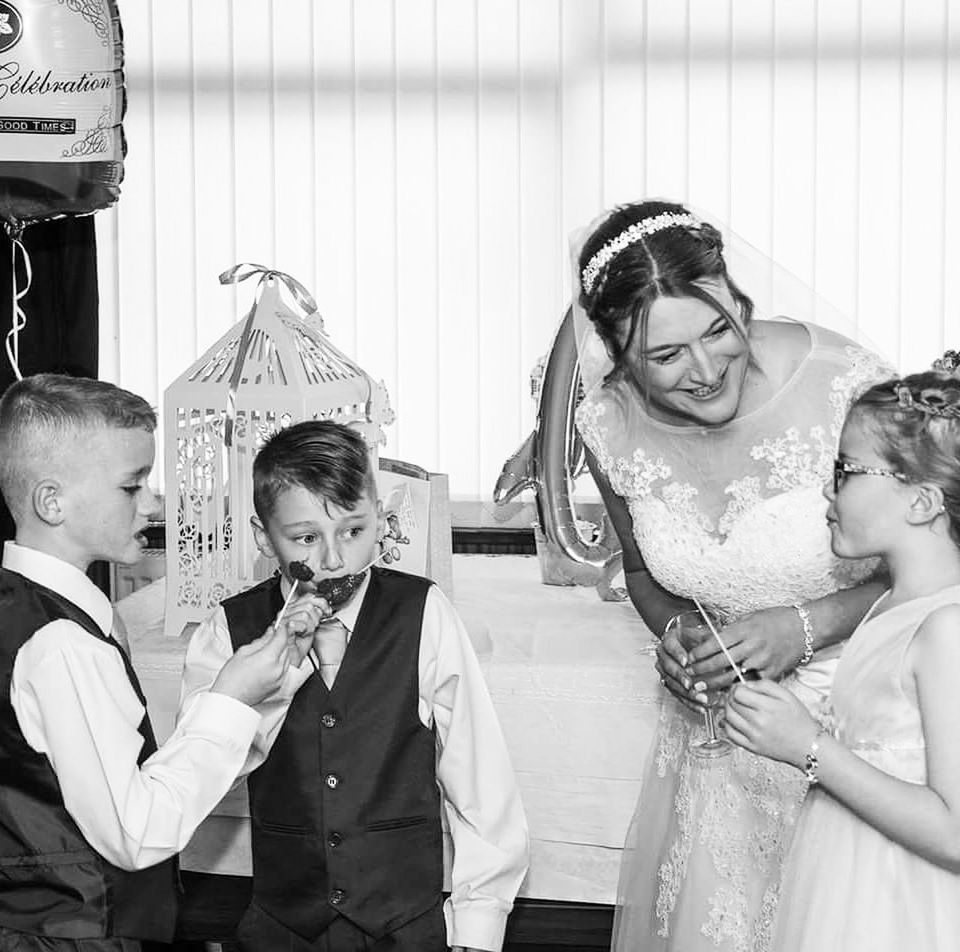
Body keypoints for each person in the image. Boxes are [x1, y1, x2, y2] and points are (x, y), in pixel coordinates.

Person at [572, 200, 895, 952]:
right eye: (666, 355)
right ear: (616, 351)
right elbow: (647, 573)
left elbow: (943, 563)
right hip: (721, 755)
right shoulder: (607, 424)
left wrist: (807, 626)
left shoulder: (844, 386)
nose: (708, 368)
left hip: (864, 732)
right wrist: (677, 633)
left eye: (719, 328)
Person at [0, 373, 323, 951]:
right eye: (132, 486)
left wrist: (252, 696)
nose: (151, 502)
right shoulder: (62, 648)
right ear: (53, 501)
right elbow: (136, 830)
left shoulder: (27, 608)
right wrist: (228, 700)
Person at [180, 419, 529, 952]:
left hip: (406, 928)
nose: (334, 559)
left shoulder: (424, 613)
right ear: (262, 537)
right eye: (305, 538)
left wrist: (479, 924)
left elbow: (480, 778)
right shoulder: (226, 632)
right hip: (281, 929)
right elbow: (201, 774)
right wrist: (278, 669)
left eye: (353, 530)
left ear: (381, 521)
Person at [724, 362, 960, 951]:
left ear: (923, 500)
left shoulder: (948, 628)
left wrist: (807, 747)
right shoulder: (888, 607)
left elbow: (956, 834)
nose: (828, 491)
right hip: (846, 881)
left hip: (901, 908)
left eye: (845, 471)